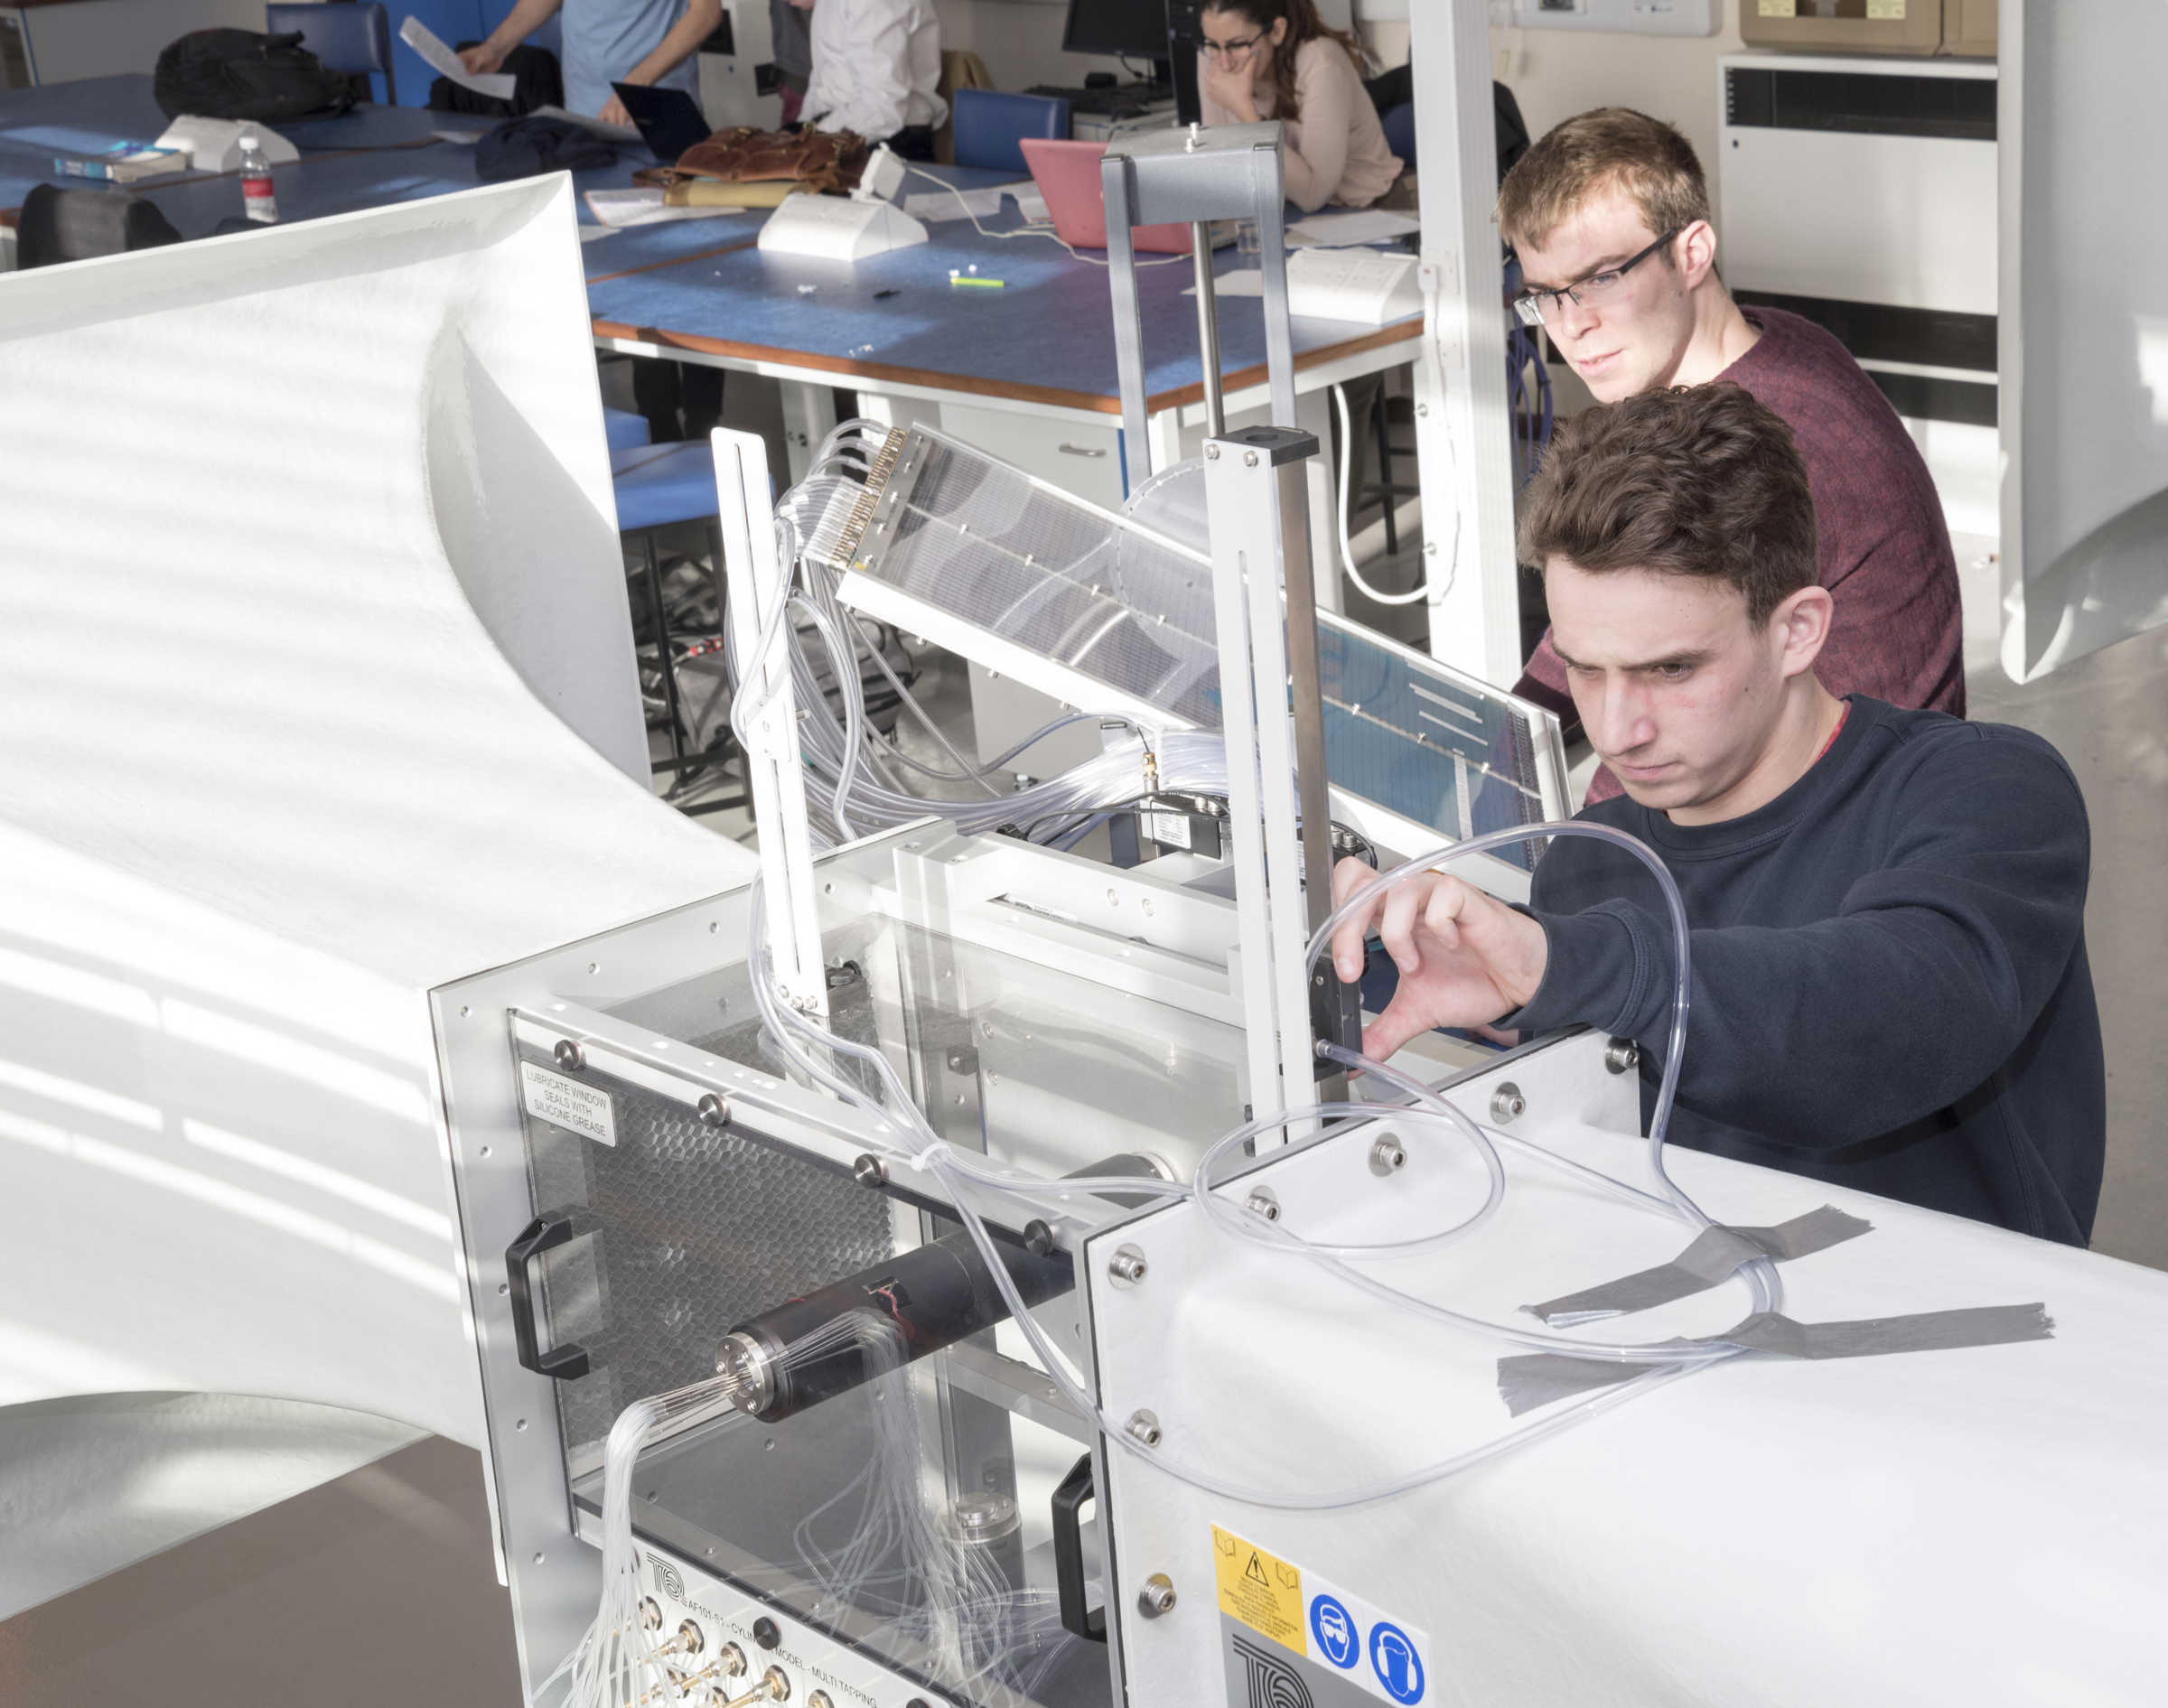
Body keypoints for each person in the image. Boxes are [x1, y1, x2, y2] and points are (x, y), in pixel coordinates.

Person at [1328, 384, 2103, 1245]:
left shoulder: (1984, 792)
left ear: (1797, 630)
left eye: (1671, 670)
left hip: (1976, 1348)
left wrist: (1575, 963)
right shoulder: (1592, 864)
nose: (1618, 730)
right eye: (1586, 669)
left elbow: (1881, 1021)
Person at [1497, 108, 1965, 798]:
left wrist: (1556, 860)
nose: (1574, 326)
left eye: (1602, 278)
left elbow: (1654, 746)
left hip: (1850, 818)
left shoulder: (1762, 446)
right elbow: (1606, 612)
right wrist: (1499, 738)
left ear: (1691, 252)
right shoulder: (1771, 342)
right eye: (1547, 296)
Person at [1198, 0, 1403, 213]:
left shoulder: (1321, 62)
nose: (1224, 63)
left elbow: (1313, 195)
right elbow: (1218, 170)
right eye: (1212, 45)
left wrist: (1246, 114)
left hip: (1361, 207)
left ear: (1277, 31)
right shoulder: (1210, 57)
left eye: (1237, 45)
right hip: (1281, 209)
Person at [460, 0, 722, 128]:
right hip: (584, 111)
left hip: (658, 108)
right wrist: (495, 47)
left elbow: (705, 12)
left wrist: (637, 83)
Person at [789, 0, 945, 163]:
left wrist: (810, 142)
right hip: (847, 131)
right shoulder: (828, 5)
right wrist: (800, 132)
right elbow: (821, 84)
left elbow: (882, 109)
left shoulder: (872, 4)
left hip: (888, 145)